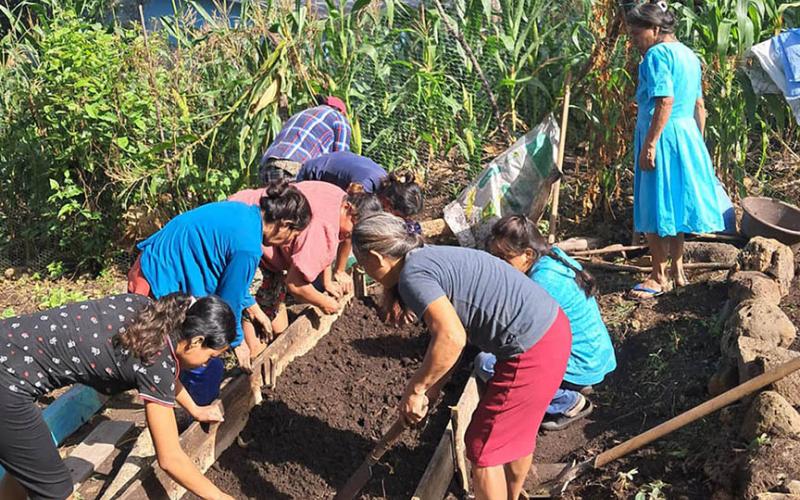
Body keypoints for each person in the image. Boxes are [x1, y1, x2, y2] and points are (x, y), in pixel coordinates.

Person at [352, 213, 571, 500]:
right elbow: (451, 338)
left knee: (482, 447)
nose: (365, 271)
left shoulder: (413, 276)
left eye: (361, 262)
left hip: (531, 348)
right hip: (551, 330)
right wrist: (432, 390)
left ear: (375, 258)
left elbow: (452, 338)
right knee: (515, 436)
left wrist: (415, 388)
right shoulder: (426, 258)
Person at [0, 293, 237, 500]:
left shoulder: (148, 313)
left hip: (7, 342)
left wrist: (194, 409)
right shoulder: (156, 362)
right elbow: (170, 458)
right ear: (197, 341)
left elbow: (164, 374)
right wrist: (218, 496)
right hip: (7, 386)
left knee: (26, 466)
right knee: (59, 491)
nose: (207, 363)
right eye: (211, 356)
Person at [128, 180, 311, 401]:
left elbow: (228, 280)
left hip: (149, 267)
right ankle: (191, 418)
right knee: (203, 365)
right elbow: (227, 301)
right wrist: (237, 343)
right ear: (285, 224)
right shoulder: (248, 247)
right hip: (158, 283)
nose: (288, 243)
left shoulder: (242, 213)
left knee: (161, 351)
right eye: (294, 235)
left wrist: (254, 310)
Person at [475, 215, 617, 431]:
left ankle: (566, 401)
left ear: (528, 254)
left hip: (580, 363)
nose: (499, 265)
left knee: (487, 363)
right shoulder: (553, 257)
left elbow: (521, 337)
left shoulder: (542, 283)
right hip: (596, 356)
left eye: (504, 258)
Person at [626, 1, 728, 299]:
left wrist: (651, 143)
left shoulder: (656, 54)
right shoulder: (688, 55)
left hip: (663, 135)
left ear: (655, 29)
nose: (634, 41)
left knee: (654, 204)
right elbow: (699, 105)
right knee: (674, 203)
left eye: (636, 34)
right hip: (684, 134)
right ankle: (678, 271)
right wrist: (695, 140)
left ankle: (658, 277)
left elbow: (665, 100)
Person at [228, 181, 382, 342]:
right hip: (241, 235)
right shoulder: (324, 227)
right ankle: (249, 353)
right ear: (348, 208)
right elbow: (295, 285)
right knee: (253, 315)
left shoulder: (338, 197)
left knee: (280, 329)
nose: (349, 237)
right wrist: (324, 302)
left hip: (241, 210)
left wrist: (327, 281)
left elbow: (324, 249)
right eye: (352, 231)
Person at [297, 151, 424, 217]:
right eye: (397, 215)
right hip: (310, 177)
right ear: (388, 202)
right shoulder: (365, 185)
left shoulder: (383, 182)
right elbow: (349, 215)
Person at [259, 95, 351, 182]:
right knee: (294, 198)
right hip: (294, 166)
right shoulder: (339, 118)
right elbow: (340, 159)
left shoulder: (301, 114)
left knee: (271, 197)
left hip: (268, 164)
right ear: (342, 112)